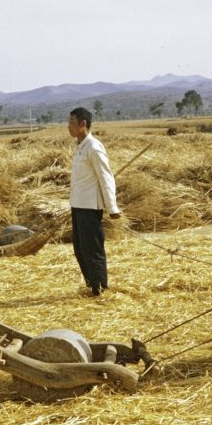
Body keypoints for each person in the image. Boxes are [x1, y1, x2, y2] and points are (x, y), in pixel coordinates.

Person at [68, 106, 120, 296]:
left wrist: (112, 206)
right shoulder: (79, 147)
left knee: (93, 250)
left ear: (83, 124)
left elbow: (106, 177)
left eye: (72, 122)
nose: (69, 127)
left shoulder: (94, 147)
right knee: (80, 249)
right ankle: (91, 285)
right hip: (78, 205)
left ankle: (100, 289)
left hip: (90, 207)